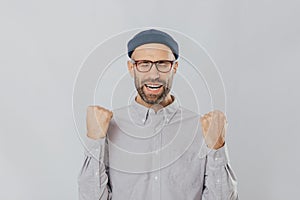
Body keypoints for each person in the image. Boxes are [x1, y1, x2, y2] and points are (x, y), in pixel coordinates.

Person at [78, 29, 239, 200]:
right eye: (144, 63)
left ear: (174, 67)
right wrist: (95, 142)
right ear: (131, 68)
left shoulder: (202, 128)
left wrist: (217, 148)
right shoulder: (108, 127)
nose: (154, 75)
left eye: (162, 63)